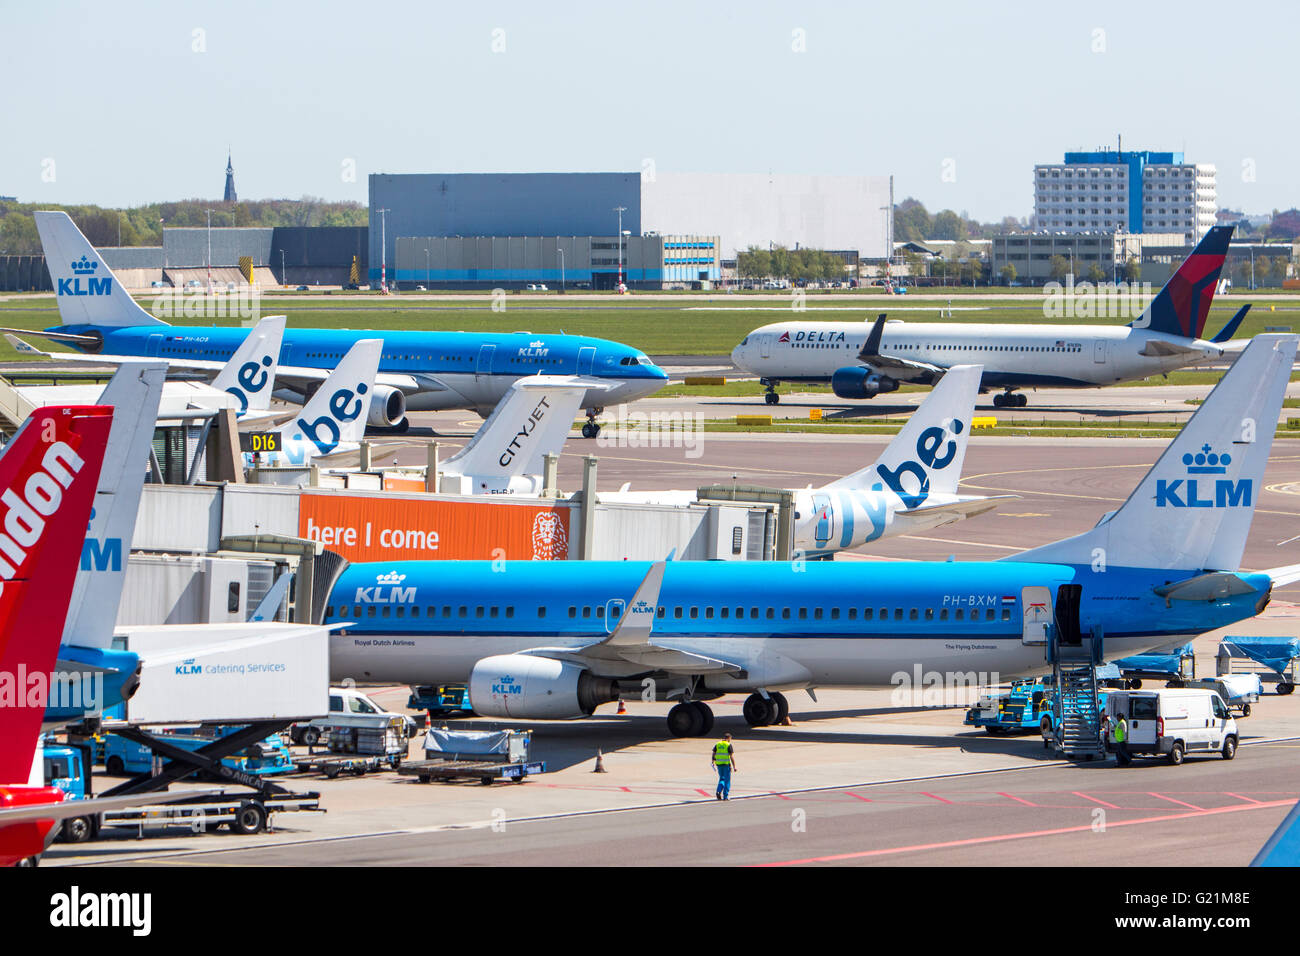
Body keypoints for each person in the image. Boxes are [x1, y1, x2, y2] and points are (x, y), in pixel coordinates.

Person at [712, 733, 737, 800]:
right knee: (727, 780)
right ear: (729, 738)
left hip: (719, 764)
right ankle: (725, 796)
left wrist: (713, 761)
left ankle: (718, 791)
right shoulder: (728, 745)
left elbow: (714, 752)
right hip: (726, 764)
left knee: (721, 778)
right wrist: (734, 766)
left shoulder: (718, 744)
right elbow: (731, 756)